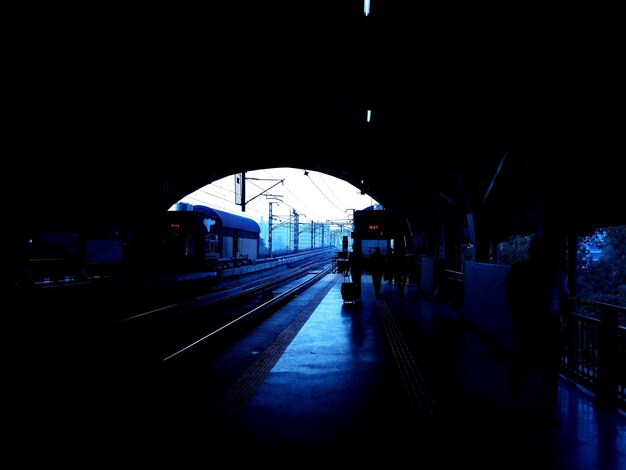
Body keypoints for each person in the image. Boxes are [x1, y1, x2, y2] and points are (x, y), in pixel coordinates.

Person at [504, 234, 569, 427]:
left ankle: (516, 389)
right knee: (551, 370)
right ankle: (545, 411)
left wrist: (517, 318)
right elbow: (563, 297)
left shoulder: (518, 269)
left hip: (527, 324)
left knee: (523, 357)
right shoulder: (556, 271)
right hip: (551, 326)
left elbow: (511, 297)